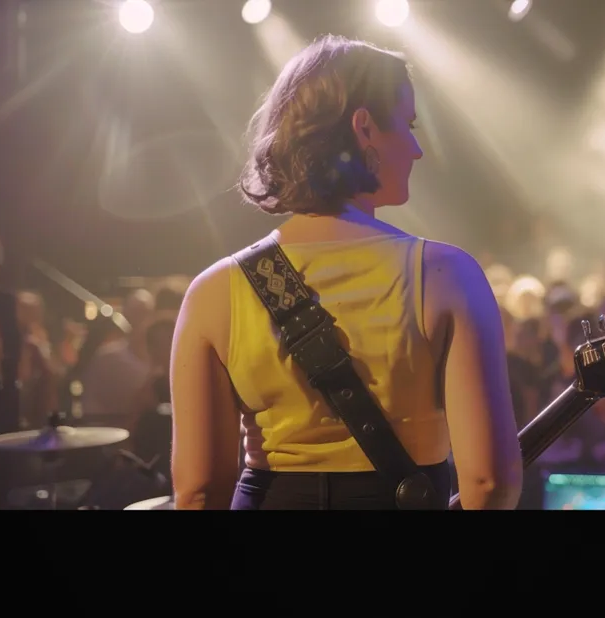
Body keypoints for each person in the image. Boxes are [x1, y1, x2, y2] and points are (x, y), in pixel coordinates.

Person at [170, 35, 522, 510]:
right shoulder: (445, 276)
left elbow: (197, 491)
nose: (417, 149)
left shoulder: (214, 291)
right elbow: (488, 484)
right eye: (408, 124)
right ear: (365, 127)